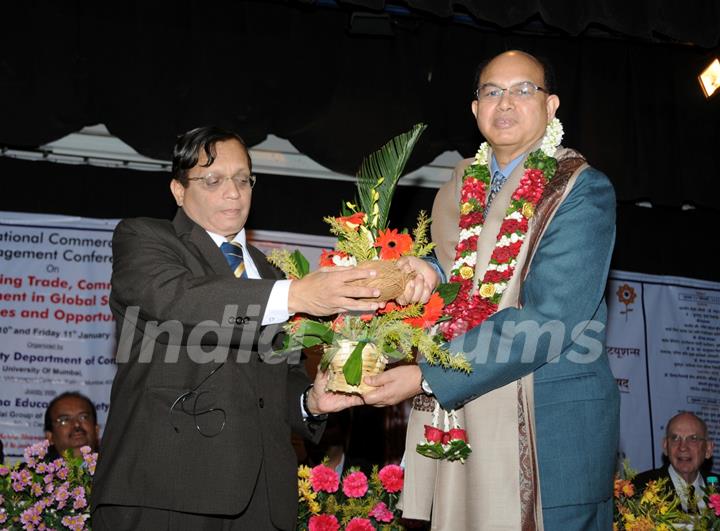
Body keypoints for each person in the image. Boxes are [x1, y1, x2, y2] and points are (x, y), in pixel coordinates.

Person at [364, 50, 620, 529]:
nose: (506, 102)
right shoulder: (459, 185)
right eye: (492, 91)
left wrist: (425, 377)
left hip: (548, 434)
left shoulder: (581, 190)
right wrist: (421, 272)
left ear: (551, 106)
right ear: (475, 109)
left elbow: (552, 318)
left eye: (524, 90)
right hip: (464, 424)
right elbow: (460, 274)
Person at [91, 126, 383, 530]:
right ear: (178, 190)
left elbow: (280, 372)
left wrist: (310, 402)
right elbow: (177, 300)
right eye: (212, 180)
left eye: (243, 179)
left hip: (261, 501)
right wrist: (294, 296)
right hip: (166, 492)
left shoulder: (271, 273)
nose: (233, 192)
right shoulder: (145, 238)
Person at [633, 412, 715, 513]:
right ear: (665, 446)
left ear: (708, 449)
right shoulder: (640, 488)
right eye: (675, 438)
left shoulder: (717, 487)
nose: (683, 447)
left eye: (693, 439)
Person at [44, 391, 100, 459]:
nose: (76, 425)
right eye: (64, 420)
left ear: (96, 430)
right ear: (49, 437)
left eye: (83, 417)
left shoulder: (114, 465)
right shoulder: (33, 469)